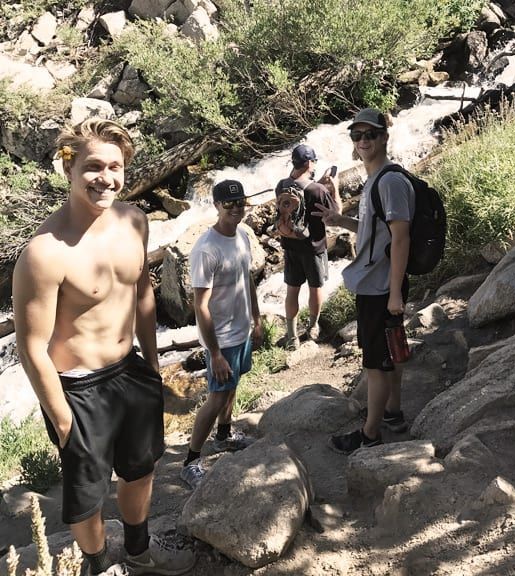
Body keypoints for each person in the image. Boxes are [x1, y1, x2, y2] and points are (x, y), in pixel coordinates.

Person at [12, 118, 192, 576]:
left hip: (130, 371)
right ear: (68, 169)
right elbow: (31, 346)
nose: (105, 177)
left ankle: (138, 554)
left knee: (141, 471)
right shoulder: (44, 253)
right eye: (93, 166)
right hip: (76, 387)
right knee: (87, 496)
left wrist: (152, 365)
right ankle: (95, 565)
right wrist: (62, 418)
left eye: (115, 166)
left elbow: (143, 292)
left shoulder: (133, 220)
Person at [313, 108, 414, 453]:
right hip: (380, 284)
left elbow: (401, 238)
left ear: (385, 136)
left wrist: (395, 293)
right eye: (357, 136)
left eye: (370, 134)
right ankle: (393, 414)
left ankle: (370, 435)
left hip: (382, 287)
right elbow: (379, 232)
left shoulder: (390, 181)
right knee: (389, 356)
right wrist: (340, 221)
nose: (363, 141)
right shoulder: (375, 179)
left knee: (376, 363)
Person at [181, 180, 263, 489]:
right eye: (229, 205)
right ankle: (190, 461)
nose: (236, 209)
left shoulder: (242, 235)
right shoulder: (206, 249)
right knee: (216, 398)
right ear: (216, 206)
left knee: (233, 385)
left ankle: (225, 435)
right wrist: (214, 353)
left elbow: (247, 281)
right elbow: (200, 305)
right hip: (222, 337)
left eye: (240, 203)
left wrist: (256, 320)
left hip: (241, 329)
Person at [275, 144, 342, 349]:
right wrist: (335, 186)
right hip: (313, 247)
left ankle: (292, 337)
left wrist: (318, 182)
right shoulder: (318, 189)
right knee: (315, 289)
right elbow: (337, 212)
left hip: (290, 245)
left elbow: (299, 190)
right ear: (310, 163)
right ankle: (313, 327)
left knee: (292, 290)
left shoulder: (282, 185)